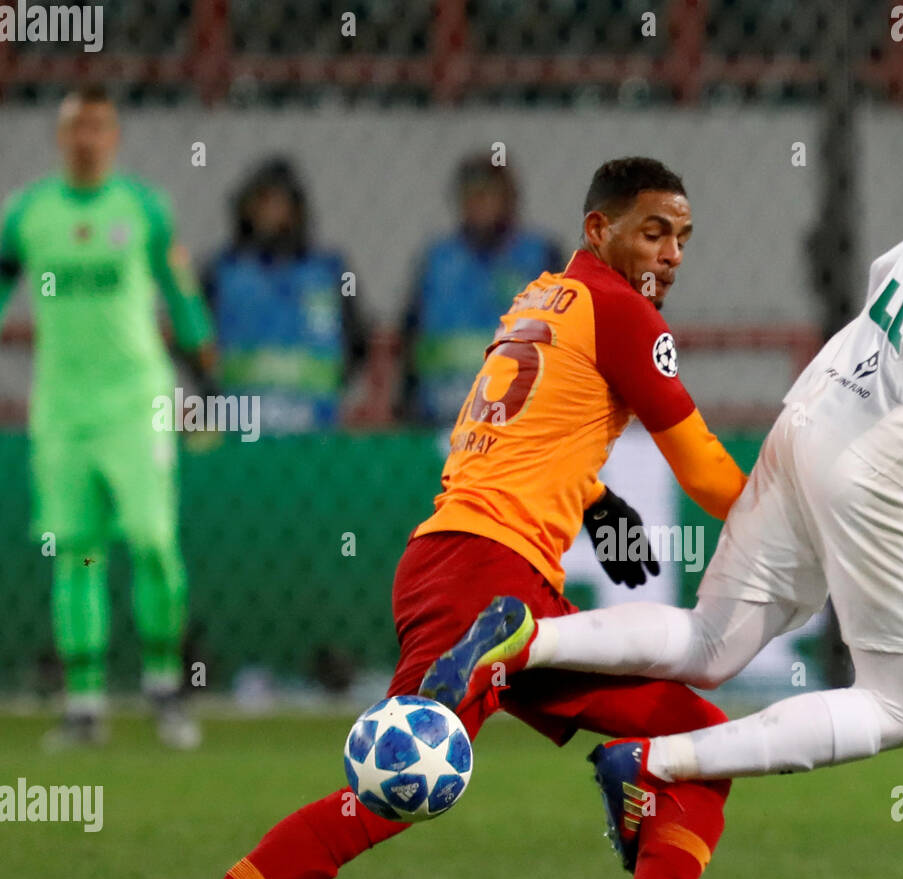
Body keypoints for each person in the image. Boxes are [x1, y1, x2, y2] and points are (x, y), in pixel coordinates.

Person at [431, 61, 903, 822]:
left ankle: (528, 636)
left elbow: (890, 267)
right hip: (892, 449)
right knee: (902, 709)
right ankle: (652, 762)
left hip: (825, 397)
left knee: (711, 644)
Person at [111, 157, 759, 879]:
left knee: (697, 741)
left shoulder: (539, 298)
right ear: (597, 229)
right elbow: (709, 469)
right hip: (482, 582)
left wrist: (595, 501)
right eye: (653, 230)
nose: (672, 252)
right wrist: (811, 531)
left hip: (485, 572)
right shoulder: (620, 310)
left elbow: (509, 427)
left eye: (682, 236)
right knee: (387, 792)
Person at [0, 85, 214, 750]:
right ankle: (85, 704)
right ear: (61, 138)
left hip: (137, 403)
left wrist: (204, 383)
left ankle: (163, 687)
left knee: (152, 539)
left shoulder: (144, 209)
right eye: (75, 128)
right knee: (75, 550)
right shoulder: (26, 214)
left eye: (97, 127)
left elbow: (180, 297)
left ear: (113, 137)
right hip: (62, 409)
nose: (86, 139)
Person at [203, 156, 368, 435]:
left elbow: (357, 340)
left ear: (297, 209)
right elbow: (196, 341)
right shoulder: (222, 272)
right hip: (239, 430)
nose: (271, 213)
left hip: (315, 429)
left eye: (279, 203)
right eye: (263, 203)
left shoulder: (330, 271)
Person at [397, 154, 565, 425]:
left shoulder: (540, 256)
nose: (478, 205)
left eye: (488, 195)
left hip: (522, 421)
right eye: (470, 196)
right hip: (440, 417)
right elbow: (409, 337)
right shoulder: (436, 260)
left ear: (509, 199)